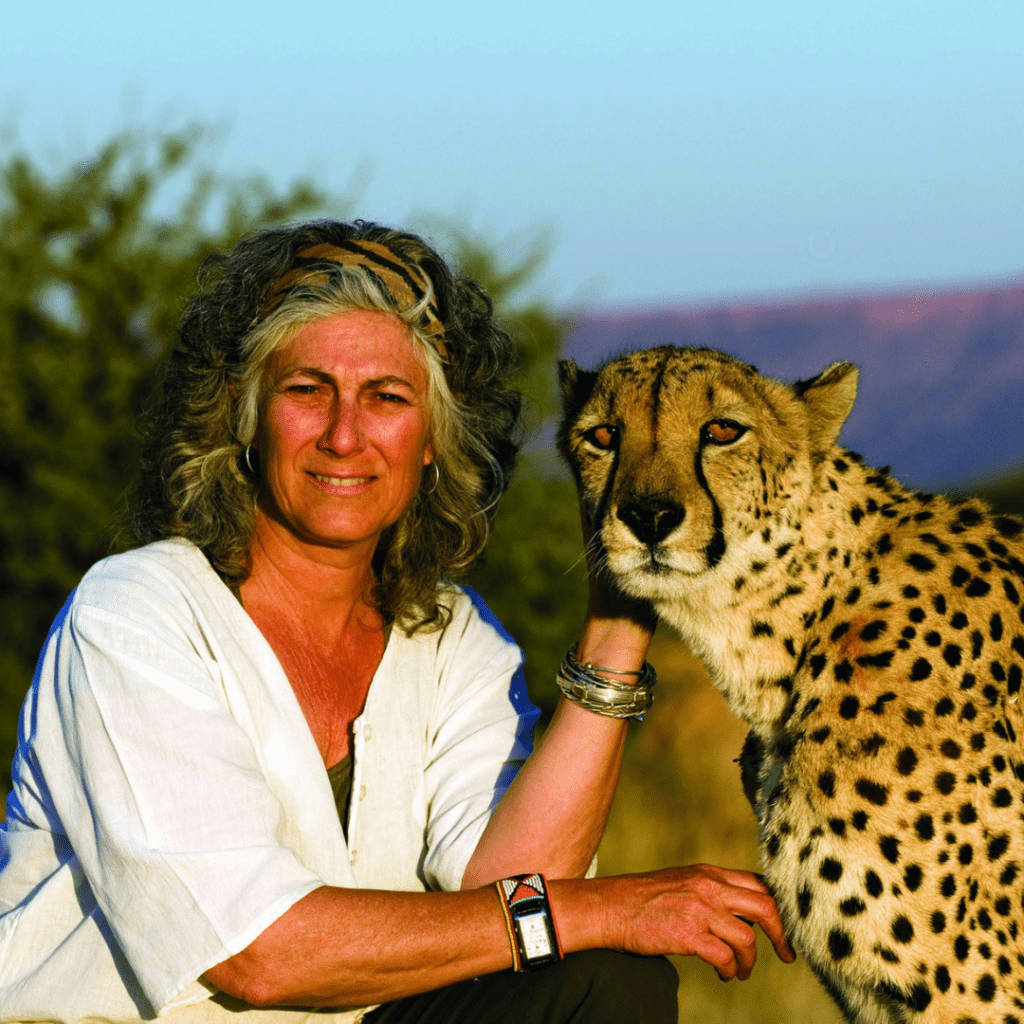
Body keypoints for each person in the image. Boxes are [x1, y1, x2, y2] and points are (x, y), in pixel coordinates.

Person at [0, 221, 793, 1024]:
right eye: (307, 390)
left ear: (432, 442)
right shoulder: (135, 614)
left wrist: (620, 616)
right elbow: (256, 956)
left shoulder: (451, 636)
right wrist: (604, 908)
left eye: (386, 397)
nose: (345, 437)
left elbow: (515, 896)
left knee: (602, 981)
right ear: (242, 420)